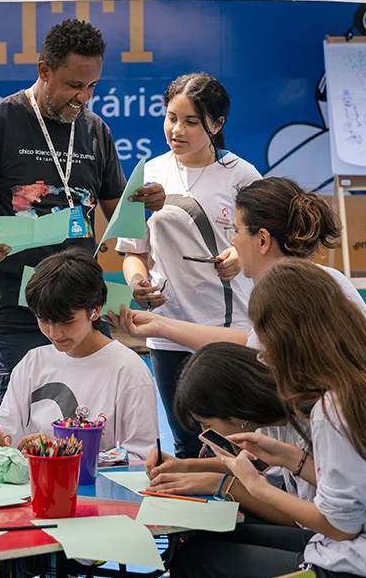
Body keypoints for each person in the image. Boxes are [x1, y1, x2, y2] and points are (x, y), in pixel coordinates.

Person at [170, 259, 366, 578]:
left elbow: (342, 527)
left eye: (266, 343)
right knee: (213, 539)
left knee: (194, 561)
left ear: (291, 340)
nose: (264, 357)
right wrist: (291, 458)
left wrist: (253, 487)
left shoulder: (335, 408)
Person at [0, 19, 165, 413]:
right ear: (44, 71)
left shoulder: (96, 132)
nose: (82, 98)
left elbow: (121, 216)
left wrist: (149, 202)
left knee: (86, 426)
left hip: (82, 310)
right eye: (73, 85)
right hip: (16, 312)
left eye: (92, 87)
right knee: (14, 434)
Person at [115, 73, 261, 459]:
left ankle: (239, 518)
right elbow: (133, 252)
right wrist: (137, 283)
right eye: (171, 118)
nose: (176, 130)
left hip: (229, 332)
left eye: (191, 122)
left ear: (217, 125)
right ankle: (192, 521)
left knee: (235, 447)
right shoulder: (148, 175)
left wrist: (238, 257)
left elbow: (265, 247)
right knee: (186, 443)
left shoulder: (243, 177)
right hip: (168, 332)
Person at [111, 177, 366, 355]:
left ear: (262, 239)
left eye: (236, 230)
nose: (232, 240)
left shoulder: (279, 293)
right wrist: (159, 325)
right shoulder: (327, 278)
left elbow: (252, 352)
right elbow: (251, 343)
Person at [0, 248, 158, 461]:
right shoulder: (33, 363)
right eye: (44, 320)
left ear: (95, 310)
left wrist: (63, 453)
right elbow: (5, 430)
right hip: (36, 488)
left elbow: (143, 456)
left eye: (66, 321)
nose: (54, 333)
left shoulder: (128, 371)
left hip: (98, 492)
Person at [144, 342, 314, 528]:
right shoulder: (271, 418)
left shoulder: (307, 431)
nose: (204, 433)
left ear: (237, 412)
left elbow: (307, 522)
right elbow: (257, 465)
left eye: (207, 424)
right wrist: (185, 466)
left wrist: (223, 485)